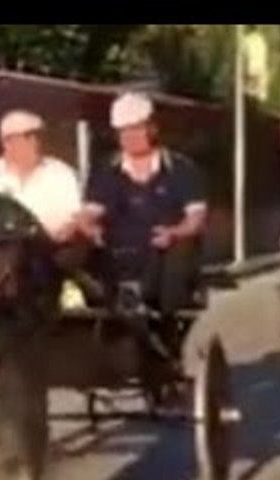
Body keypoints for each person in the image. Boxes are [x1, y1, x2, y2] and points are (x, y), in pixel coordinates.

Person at [79, 92, 209, 355]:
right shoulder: (107, 171)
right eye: (124, 131)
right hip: (120, 249)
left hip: (166, 249)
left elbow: (196, 218)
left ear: (152, 127)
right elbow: (90, 212)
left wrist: (175, 232)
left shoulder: (182, 169)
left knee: (180, 251)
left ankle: (165, 327)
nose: (131, 137)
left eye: (136, 129)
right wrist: (90, 228)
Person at [0, 110, 82, 241]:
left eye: (39, 136)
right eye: (28, 136)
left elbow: (76, 220)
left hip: (53, 255)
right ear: (7, 142)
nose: (36, 142)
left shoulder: (62, 174)